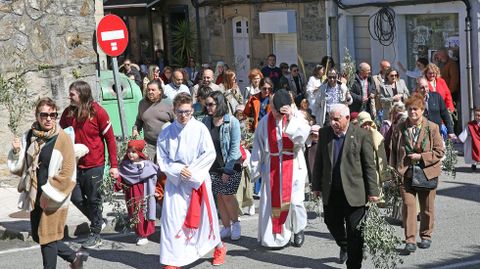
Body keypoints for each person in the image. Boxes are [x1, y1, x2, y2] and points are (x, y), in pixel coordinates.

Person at [9, 97, 88, 269]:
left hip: (54, 197)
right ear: (37, 115)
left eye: (53, 115)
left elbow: (68, 173)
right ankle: (74, 257)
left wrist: (49, 194)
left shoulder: (62, 139)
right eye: (44, 115)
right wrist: (16, 152)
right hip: (34, 194)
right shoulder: (30, 136)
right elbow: (20, 168)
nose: (49, 119)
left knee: (48, 237)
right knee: (39, 236)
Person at [157, 93, 226, 268]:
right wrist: (179, 170)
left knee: (204, 219)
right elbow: (162, 158)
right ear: (174, 110)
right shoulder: (166, 131)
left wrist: (192, 171)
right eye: (180, 112)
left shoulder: (199, 128)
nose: (184, 116)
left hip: (196, 179)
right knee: (172, 220)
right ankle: (173, 259)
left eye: (188, 112)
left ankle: (219, 247)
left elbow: (209, 153)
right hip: (176, 182)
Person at [312, 103, 379, 268]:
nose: (333, 122)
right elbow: (319, 161)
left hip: (355, 192)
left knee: (355, 232)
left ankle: (354, 263)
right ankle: (346, 246)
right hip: (332, 191)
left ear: (347, 118)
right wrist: (316, 186)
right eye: (330, 119)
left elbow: (369, 166)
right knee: (331, 222)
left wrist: (373, 191)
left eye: (336, 119)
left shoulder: (361, 135)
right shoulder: (325, 133)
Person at [60, 81, 118, 249]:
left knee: (94, 199)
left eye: (72, 94)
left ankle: (95, 234)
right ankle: (99, 221)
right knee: (76, 198)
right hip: (74, 164)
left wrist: (114, 165)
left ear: (82, 95)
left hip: (95, 164)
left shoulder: (98, 112)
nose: (69, 97)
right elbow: (62, 135)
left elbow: (110, 139)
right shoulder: (68, 113)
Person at [250, 89, 310, 249]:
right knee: (273, 202)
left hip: (293, 163)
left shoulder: (297, 118)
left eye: (280, 112)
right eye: (275, 111)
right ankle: (276, 235)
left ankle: (298, 229)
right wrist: (255, 169)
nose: (277, 115)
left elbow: (302, 137)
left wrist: (290, 119)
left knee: (295, 202)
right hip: (273, 166)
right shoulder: (265, 122)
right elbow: (258, 146)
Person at [389, 93, 444, 255]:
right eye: (410, 109)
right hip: (406, 173)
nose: (412, 112)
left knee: (427, 208)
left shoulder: (432, 127)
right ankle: (410, 240)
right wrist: (393, 172)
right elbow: (392, 150)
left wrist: (422, 157)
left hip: (427, 173)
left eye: (415, 109)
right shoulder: (399, 128)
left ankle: (426, 235)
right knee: (408, 206)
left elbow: (439, 151)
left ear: (422, 110)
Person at [202, 91, 243, 241]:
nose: (208, 107)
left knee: (227, 195)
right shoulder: (206, 121)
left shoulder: (232, 122)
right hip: (213, 166)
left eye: (211, 104)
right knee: (219, 196)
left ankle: (236, 224)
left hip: (231, 165)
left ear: (219, 104)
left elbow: (234, 148)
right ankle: (226, 227)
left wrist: (227, 169)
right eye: (206, 104)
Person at [116, 140, 159, 246]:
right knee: (134, 213)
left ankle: (144, 234)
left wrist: (157, 191)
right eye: (129, 151)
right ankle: (140, 234)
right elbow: (120, 180)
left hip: (145, 192)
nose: (130, 154)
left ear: (140, 152)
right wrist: (115, 183)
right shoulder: (125, 166)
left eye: (134, 152)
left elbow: (155, 179)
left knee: (145, 212)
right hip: (131, 194)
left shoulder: (148, 166)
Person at [132, 80, 174, 161]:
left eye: (153, 90)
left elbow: (176, 123)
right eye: (148, 90)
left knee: (161, 170)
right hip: (149, 144)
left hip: (165, 143)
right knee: (148, 168)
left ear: (160, 91)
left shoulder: (169, 103)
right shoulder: (142, 103)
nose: (150, 92)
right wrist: (135, 129)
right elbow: (139, 120)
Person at [357, 112, 388, 201]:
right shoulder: (355, 137)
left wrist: (384, 176)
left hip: (374, 171)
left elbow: (382, 158)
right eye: (364, 124)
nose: (367, 127)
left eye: (368, 124)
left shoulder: (376, 136)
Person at [233, 105, 255, 216]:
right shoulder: (232, 123)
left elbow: (253, 137)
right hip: (237, 156)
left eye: (242, 111)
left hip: (247, 155)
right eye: (238, 112)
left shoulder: (249, 123)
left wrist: (247, 143)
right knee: (239, 185)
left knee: (249, 182)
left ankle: (251, 204)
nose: (240, 114)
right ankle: (238, 209)